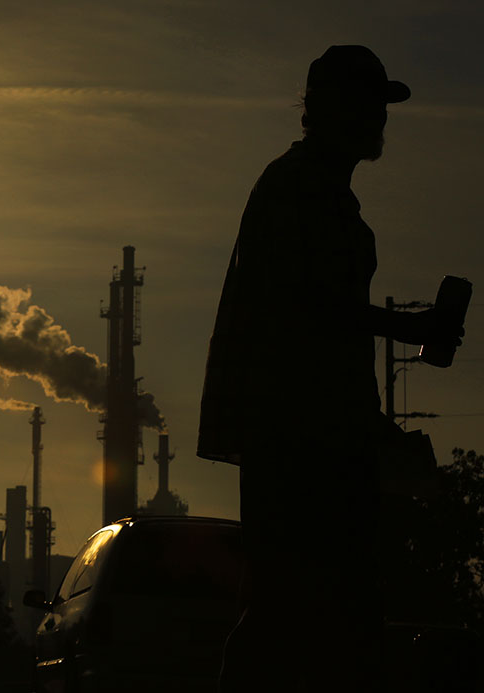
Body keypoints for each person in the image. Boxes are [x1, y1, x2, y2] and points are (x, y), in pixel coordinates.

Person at [197, 46, 462, 692]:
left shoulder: (323, 195)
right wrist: (410, 328)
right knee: (291, 611)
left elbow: (325, 335)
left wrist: (374, 429)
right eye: (369, 105)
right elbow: (307, 309)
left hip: (321, 439)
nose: (379, 120)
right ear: (329, 110)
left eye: (382, 106)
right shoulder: (297, 188)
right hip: (296, 443)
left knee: (323, 616)